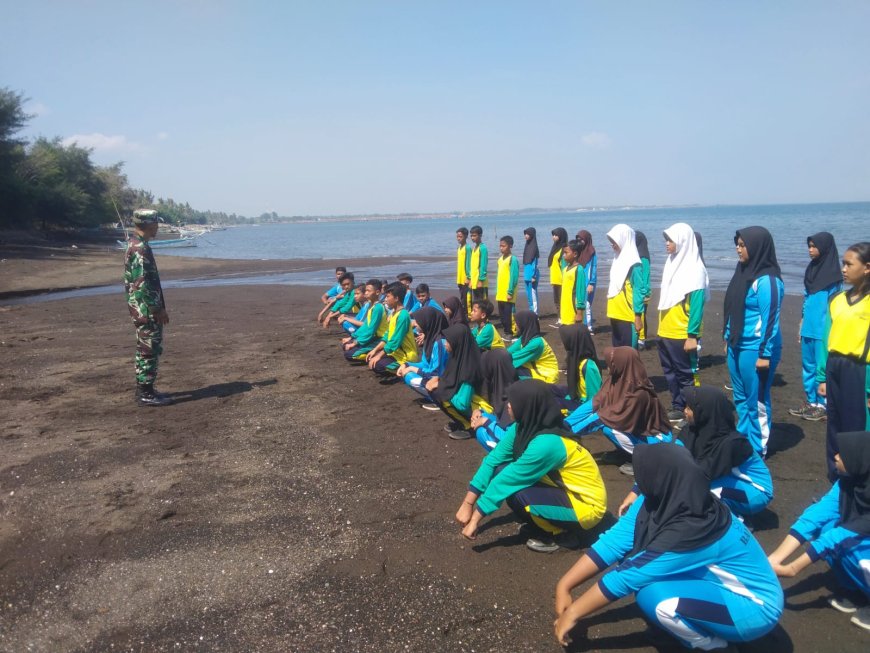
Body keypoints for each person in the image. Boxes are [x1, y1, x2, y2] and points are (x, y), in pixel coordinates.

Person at [554, 443, 783, 649]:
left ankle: (712, 646)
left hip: (754, 608)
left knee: (653, 595)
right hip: (720, 584)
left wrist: (574, 613)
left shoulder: (694, 529)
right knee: (639, 566)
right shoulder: (671, 496)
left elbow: (628, 576)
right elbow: (616, 541)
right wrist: (565, 585)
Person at [456, 380, 607, 553]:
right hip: (562, 490)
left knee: (518, 491)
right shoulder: (522, 427)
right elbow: (493, 460)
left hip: (586, 506)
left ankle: (562, 534)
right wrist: (467, 503)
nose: (508, 406)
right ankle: (543, 521)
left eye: (514, 402)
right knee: (501, 470)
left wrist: (475, 519)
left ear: (528, 405)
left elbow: (509, 479)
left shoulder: (548, 443)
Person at [767, 431, 870, 632]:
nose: (836, 456)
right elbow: (815, 515)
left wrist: (791, 570)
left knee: (845, 543)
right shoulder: (848, 481)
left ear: (859, 460)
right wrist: (774, 559)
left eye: (843, 454)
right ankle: (855, 590)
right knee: (825, 527)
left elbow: (838, 537)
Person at [618, 386, 773, 518]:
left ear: (704, 411)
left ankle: (733, 522)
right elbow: (669, 463)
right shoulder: (690, 431)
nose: (685, 411)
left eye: (690, 408)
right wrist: (635, 493)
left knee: (698, 493)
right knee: (682, 489)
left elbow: (697, 476)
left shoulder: (733, 444)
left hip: (754, 491)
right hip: (724, 480)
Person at [723, 226, 784, 457]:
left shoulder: (768, 280)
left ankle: (758, 448)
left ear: (757, 247)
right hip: (737, 344)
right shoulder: (742, 272)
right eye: (737, 245)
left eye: (743, 245)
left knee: (756, 399)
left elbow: (771, 319)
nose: (739, 249)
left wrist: (764, 354)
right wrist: (728, 336)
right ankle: (744, 437)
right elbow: (732, 306)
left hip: (756, 348)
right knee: (740, 396)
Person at [565, 346, 672, 476]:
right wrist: (565, 424)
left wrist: (565, 434)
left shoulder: (639, 394)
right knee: (607, 422)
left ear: (621, 364)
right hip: (637, 431)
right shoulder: (616, 380)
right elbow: (594, 403)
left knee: (607, 425)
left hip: (657, 441)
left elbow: (601, 418)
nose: (608, 366)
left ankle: (644, 460)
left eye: (611, 363)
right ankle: (625, 453)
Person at [817, 242, 870, 482]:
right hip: (834, 366)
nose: (844, 269)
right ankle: (835, 477)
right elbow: (826, 337)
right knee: (834, 424)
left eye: (850, 264)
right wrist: (821, 376)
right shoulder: (837, 300)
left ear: (867, 268)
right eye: (843, 264)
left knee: (856, 426)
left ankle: (857, 479)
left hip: (859, 369)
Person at [657, 222, 709, 423]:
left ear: (683, 241)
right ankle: (678, 405)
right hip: (666, 330)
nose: (667, 244)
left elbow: (696, 307)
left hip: (682, 332)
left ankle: (692, 408)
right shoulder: (672, 264)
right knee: (670, 372)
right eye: (666, 240)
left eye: (671, 240)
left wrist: (692, 335)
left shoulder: (695, 270)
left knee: (686, 374)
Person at [789, 233, 842, 421]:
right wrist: (801, 322)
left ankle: (823, 404)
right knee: (807, 365)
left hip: (822, 330)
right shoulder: (811, 270)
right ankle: (811, 402)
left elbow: (836, 306)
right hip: (809, 328)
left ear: (825, 247)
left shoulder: (834, 276)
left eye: (814, 246)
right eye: (809, 246)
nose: (810, 250)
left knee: (822, 367)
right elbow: (806, 298)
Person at [124, 209, 172, 406]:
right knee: (148, 348)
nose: (157, 227)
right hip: (145, 309)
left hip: (140, 307)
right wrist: (157, 309)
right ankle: (145, 393)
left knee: (146, 348)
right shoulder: (141, 248)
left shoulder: (135, 244)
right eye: (155, 223)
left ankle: (146, 388)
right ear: (148, 224)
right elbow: (144, 283)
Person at [427, 324, 492, 439]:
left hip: (481, 408)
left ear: (458, 342)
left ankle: (468, 427)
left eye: (448, 341)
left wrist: (441, 387)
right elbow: (450, 380)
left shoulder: (470, 367)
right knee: (438, 391)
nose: (445, 344)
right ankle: (462, 421)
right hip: (471, 402)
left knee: (440, 394)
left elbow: (462, 404)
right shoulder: (459, 356)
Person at [397, 307, 449, 406]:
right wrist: (407, 364)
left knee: (410, 377)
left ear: (427, 322)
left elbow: (436, 373)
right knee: (406, 372)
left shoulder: (440, 343)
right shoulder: (430, 339)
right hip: (435, 377)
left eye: (418, 321)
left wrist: (412, 368)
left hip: (442, 382)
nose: (415, 323)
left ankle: (438, 400)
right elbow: (425, 364)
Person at [471, 348, 519, 451]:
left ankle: (503, 463)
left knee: (482, 431)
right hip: (515, 433)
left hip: (519, 444)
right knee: (482, 416)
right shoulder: (512, 383)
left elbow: (515, 439)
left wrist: (486, 422)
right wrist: (479, 411)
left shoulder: (514, 400)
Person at [605, 224, 645, 348]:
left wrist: (638, 317)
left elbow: (639, 290)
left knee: (629, 354)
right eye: (611, 241)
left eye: (614, 240)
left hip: (628, 316)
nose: (612, 244)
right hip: (614, 313)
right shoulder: (617, 259)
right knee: (617, 352)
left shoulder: (634, 264)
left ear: (624, 239)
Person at [365, 282, 419, 375]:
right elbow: (387, 336)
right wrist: (375, 350)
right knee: (372, 359)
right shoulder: (393, 314)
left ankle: (407, 367)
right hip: (395, 354)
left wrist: (379, 355)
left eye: (388, 297)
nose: (385, 300)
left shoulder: (403, 315)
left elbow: (395, 341)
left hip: (406, 356)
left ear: (397, 298)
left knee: (378, 365)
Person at [556, 324, 601, 412]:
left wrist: (570, 411)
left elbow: (595, 400)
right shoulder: (575, 359)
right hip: (578, 399)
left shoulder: (588, 366)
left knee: (551, 404)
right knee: (548, 390)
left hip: (584, 406)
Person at [508, 311, 559, 384]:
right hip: (535, 371)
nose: (515, 325)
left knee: (508, 369)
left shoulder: (536, 343)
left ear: (524, 323)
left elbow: (512, 358)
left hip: (546, 378)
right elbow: (508, 352)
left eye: (517, 323)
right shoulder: (525, 338)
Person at [342, 279, 387, 361]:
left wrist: (355, 342)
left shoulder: (378, 308)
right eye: (365, 290)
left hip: (380, 339)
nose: (366, 293)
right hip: (373, 337)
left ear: (377, 292)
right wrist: (352, 338)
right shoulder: (371, 306)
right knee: (346, 345)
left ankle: (373, 354)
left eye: (368, 291)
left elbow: (371, 330)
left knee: (349, 354)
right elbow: (366, 325)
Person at [558, 240, 587, 328]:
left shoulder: (579, 269)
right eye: (563, 253)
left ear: (575, 254)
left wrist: (579, 312)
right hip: (565, 307)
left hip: (573, 308)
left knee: (574, 334)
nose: (564, 255)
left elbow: (580, 292)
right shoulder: (565, 268)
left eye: (566, 253)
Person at [495, 235, 519, 339]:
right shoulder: (500, 259)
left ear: (510, 246)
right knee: (502, 315)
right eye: (500, 246)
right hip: (500, 292)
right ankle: (506, 330)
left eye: (503, 246)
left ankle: (512, 332)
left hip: (508, 293)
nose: (501, 248)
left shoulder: (512, 259)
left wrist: (510, 291)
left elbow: (514, 277)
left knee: (510, 314)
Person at [576, 230, 597, 334]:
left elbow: (593, 268)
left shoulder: (591, 251)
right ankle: (581, 325)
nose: (580, 241)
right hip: (580, 281)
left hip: (588, 282)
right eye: (578, 239)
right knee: (579, 302)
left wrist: (591, 283)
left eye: (582, 239)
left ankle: (588, 327)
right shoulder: (579, 251)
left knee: (587, 304)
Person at [634, 231, 653, 349]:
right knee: (637, 314)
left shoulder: (643, 257)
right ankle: (638, 336)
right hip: (636, 291)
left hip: (643, 292)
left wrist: (646, 292)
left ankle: (642, 339)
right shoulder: (635, 255)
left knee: (641, 314)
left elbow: (646, 276)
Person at [548, 227, 568, 322]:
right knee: (556, 300)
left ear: (561, 236)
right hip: (555, 278)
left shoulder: (564, 248)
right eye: (553, 235)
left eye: (556, 235)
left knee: (562, 300)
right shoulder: (555, 247)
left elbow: (564, 265)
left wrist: (565, 279)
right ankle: (559, 317)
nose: (554, 237)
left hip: (561, 279)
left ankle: (563, 317)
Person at [467, 225, 489, 303]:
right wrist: (470, 279)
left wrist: (481, 280)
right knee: (476, 301)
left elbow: (483, 265)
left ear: (480, 235)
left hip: (480, 281)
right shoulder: (474, 248)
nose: (472, 238)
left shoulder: (483, 248)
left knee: (483, 302)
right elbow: (473, 266)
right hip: (474, 280)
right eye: (471, 236)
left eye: (474, 235)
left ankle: (485, 315)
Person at [522, 227, 540, 314]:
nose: (526, 236)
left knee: (533, 294)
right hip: (527, 273)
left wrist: (534, 276)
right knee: (528, 294)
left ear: (532, 235)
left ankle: (535, 313)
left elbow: (535, 263)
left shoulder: (534, 247)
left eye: (527, 234)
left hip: (532, 274)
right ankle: (531, 309)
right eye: (525, 234)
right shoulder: (527, 246)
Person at [456, 227, 471, 314]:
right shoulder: (459, 248)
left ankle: (468, 315)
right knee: (462, 297)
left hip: (466, 278)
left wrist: (468, 277)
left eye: (460, 236)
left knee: (467, 298)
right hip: (460, 278)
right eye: (457, 236)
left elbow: (468, 263)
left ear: (465, 236)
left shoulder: (467, 248)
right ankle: (464, 313)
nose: (458, 238)